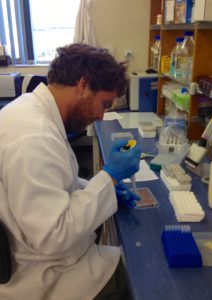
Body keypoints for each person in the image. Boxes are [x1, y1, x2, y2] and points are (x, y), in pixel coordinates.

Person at [0, 43, 141, 300]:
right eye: (104, 103)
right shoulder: (34, 137)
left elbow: (56, 183)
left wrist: (100, 188)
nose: (101, 116)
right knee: (137, 274)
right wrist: (109, 177)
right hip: (42, 274)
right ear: (83, 85)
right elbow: (54, 235)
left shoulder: (34, 110)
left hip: (39, 250)